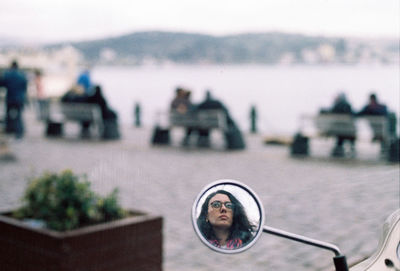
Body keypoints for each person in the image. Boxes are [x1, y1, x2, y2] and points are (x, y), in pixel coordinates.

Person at [0, 60, 28, 139]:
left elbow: (2, 84)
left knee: (8, 115)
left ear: (11, 66)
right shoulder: (22, 75)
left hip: (10, 98)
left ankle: (9, 130)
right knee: (19, 116)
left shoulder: (7, 75)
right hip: (19, 98)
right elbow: (25, 87)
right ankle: (19, 132)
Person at [329, 93, 356, 157]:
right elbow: (353, 115)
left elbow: (330, 113)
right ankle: (352, 152)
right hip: (349, 132)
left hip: (339, 132)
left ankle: (337, 152)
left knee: (340, 137)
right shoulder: (348, 106)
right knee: (350, 137)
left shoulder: (336, 106)